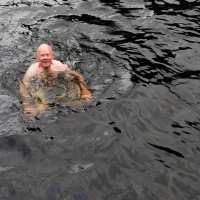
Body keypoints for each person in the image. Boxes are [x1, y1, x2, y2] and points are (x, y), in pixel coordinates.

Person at [20, 44, 93, 116]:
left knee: (79, 102)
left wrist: (82, 87)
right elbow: (23, 85)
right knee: (41, 110)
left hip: (56, 84)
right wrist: (26, 103)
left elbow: (72, 75)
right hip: (39, 87)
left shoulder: (58, 65)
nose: (45, 58)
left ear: (52, 55)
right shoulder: (32, 71)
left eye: (47, 55)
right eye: (42, 55)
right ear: (37, 57)